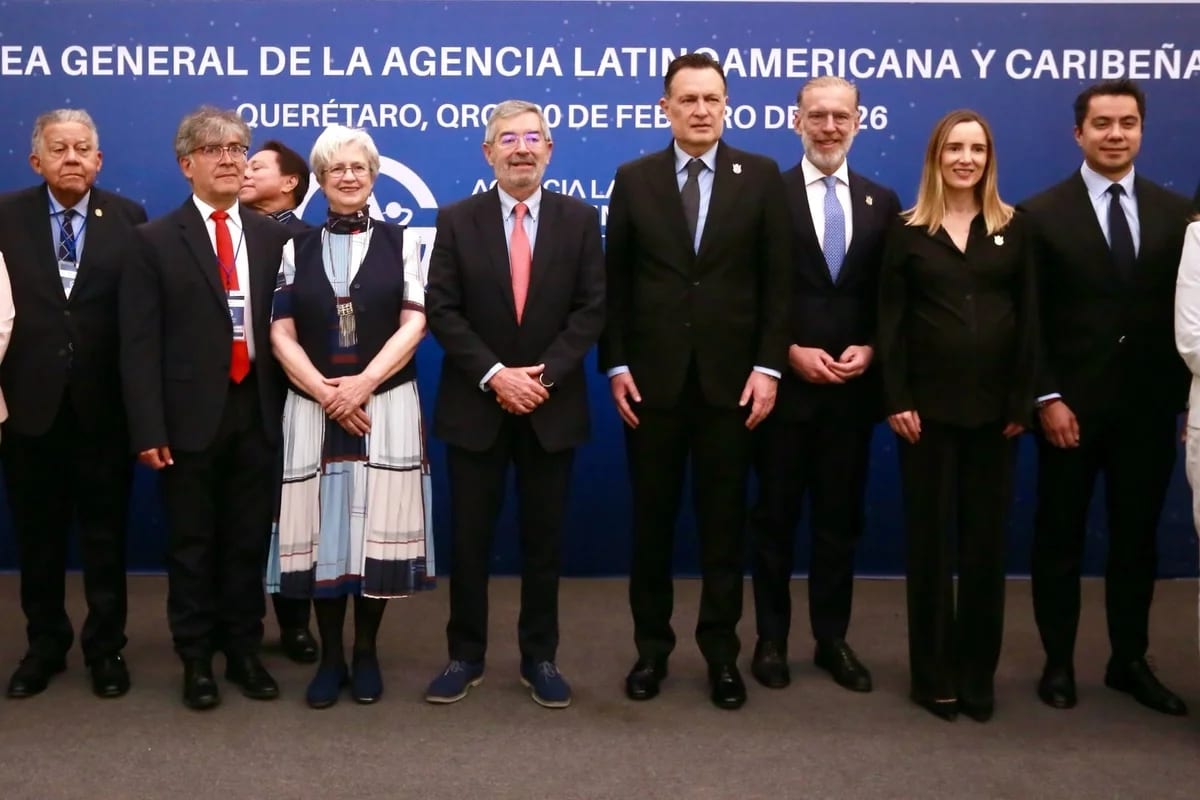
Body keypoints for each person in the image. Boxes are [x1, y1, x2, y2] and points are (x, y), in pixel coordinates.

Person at [600, 53, 791, 710]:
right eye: (688, 100)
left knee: (723, 531)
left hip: (732, 390)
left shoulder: (762, 177)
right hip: (650, 389)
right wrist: (615, 364)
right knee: (650, 529)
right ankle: (651, 652)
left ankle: (721, 657)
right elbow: (615, 283)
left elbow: (777, 282)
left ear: (726, 104)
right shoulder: (635, 178)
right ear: (666, 108)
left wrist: (769, 368)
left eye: (712, 98)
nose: (701, 110)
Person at [424, 100, 605, 709]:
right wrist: (498, 376)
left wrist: (541, 378)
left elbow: (591, 310)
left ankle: (540, 658)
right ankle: (464, 655)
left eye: (534, 137)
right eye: (509, 138)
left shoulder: (580, 221)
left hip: (550, 410)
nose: (522, 148)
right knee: (469, 542)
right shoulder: (456, 220)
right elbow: (442, 311)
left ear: (550, 150)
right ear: (488, 152)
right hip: (477, 407)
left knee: (543, 542)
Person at [1022, 79, 1193, 717]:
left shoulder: (1178, 216)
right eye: (1103, 124)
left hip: (1149, 412)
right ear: (1079, 134)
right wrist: (1046, 398)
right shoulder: (1038, 215)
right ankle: (1058, 664)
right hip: (1068, 411)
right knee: (1058, 540)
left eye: (1127, 123)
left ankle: (1128, 662)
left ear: (1142, 131)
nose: (1116, 134)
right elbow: (1029, 319)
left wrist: (1186, 405)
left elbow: (1187, 316)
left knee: (1136, 543)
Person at [120, 106, 292, 710]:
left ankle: (243, 650)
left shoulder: (275, 235)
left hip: (258, 412)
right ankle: (195, 659)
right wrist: (147, 425)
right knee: (192, 544)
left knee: (247, 541)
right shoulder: (153, 241)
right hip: (186, 422)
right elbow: (137, 343)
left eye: (237, 147)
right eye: (214, 149)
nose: (229, 158)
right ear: (186, 163)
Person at [877, 109, 1035, 723]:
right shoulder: (907, 229)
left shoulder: (1016, 229)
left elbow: (1031, 322)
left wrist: (1024, 399)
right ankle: (933, 675)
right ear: (936, 158)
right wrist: (895, 397)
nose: (966, 158)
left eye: (977, 148)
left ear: (990, 158)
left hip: (998, 416)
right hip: (926, 414)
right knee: (931, 547)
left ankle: (977, 675)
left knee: (984, 548)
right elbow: (888, 322)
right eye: (954, 148)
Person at [268, 125, 433, 710]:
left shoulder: (404, 242)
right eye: (335, 168)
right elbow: (280, 331)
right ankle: (330, 656)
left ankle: (365, 652)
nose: (348, 176)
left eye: (358, 167)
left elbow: (415, 323)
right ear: (318, 180)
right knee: (322, 534)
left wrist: (362, 385)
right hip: (313, 410)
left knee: (372, 535)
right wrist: (324, 390)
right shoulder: (295, 247)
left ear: (374, 175)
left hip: (385, 404)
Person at [748, 77, 901, 694]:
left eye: (841, 116)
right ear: (797, 121)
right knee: (775, 523)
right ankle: (771, 642)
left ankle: (833, 640)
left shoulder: (882, 201)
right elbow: (750, 290)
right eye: (818, 116)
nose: (829, 126)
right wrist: (784, 353)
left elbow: (891, 297)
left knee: (839, 525)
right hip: (781, 392)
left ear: (859, 123)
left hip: (850, 396)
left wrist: (875, 348)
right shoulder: (765, 196)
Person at [0, 109, 146, 700]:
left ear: (99, 159)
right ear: (36, 161)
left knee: (106, 538)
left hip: (103, 410)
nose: (72, 159)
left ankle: (106, 648)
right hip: (28, 406)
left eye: (84, 148)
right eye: (59, 149)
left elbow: (137, 321)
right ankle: (45, 645)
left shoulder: (129, 219)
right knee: (37, 538)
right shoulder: (5, 217)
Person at [239, 138, 318, 664]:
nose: (242, 172)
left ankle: (295, 624)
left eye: (257, 166)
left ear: (290, 182)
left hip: (301, 399)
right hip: (240, 400)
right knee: (245, 519)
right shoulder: (228, 236)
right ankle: (239, 628)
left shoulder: (312, 242)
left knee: (295, 519)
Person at [241, 139, 312, 232]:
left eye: (256, 168)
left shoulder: (312, 240)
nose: (244, 174)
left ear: (289, 183)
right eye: (243, 169)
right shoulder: (226, 232)